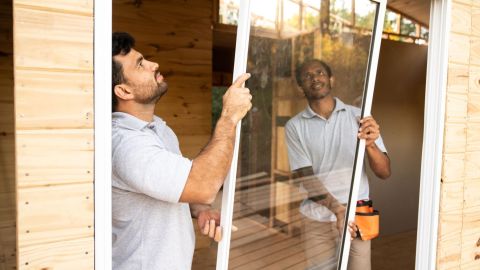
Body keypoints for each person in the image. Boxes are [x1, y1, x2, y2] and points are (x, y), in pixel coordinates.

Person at [111, 32, 252, 270]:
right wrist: (229, 117)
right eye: (140, 64)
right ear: (124, 91)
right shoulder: (126, 144)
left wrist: (200, 209)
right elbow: (202, 185)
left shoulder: (159, 128)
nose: (153, 64)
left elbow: (179, 185)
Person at [285, 59, 391, 270]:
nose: (315, 78)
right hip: (317, 219)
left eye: (320, 72)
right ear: (300, 88)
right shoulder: (294, 126)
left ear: (331, 79)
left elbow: (384, 172)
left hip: (357, 217)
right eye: (307, 76)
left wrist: (370, 145)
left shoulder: (359, 117)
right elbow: (306, 178)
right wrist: (337, 209)